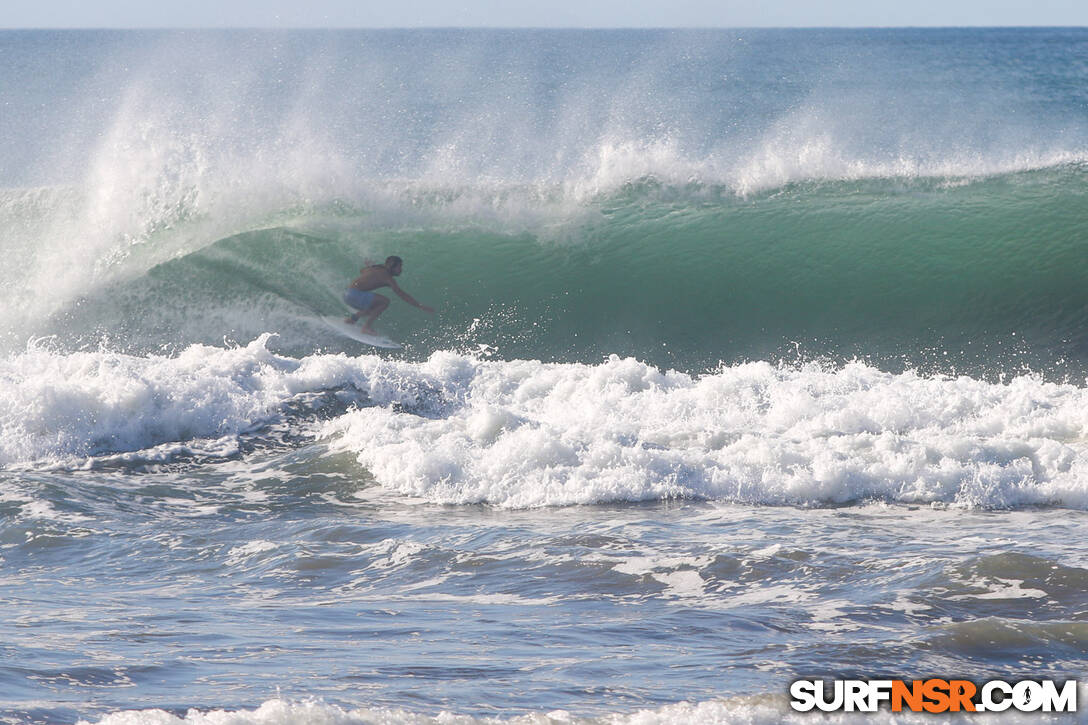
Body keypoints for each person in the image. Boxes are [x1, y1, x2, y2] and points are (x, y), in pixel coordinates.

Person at [343, 255, 434, 334]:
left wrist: (370, 267)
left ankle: (352, 319)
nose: (401, 270)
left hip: (348, 294)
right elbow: (402, 294)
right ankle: (366, 327)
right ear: (391, 266)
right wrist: (419, 305)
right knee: (385, 302)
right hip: (355, 295)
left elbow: (362, 270)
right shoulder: (387, 278)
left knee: (374, 309)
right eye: (399, 267)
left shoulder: (374, 268)